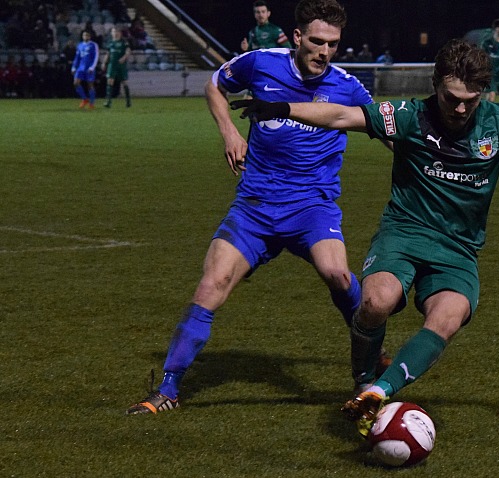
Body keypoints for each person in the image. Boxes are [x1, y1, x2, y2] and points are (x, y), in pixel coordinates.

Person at [230, 38, 499, 436]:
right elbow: (341, 116)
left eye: (471, 99)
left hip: (458, 249)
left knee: (448, 317)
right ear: (435, 85)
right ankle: (363, 378)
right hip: (404, 233)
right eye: (452, 98)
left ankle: (378, 391)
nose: (462, 108)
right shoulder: (408, 116)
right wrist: (283, 108)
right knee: (376, 302)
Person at [125, 0, 390, 415]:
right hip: (256, 205)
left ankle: (370, 362)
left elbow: (387, 128)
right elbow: (215, 84)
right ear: (297, 37)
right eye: (317, 41)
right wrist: (229, 130)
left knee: (338, 274)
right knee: (212, 285)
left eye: (333, 44)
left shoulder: (348, 87)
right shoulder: (260, 63)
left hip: (312, 206)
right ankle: (167, 390)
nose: (325, 51)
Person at [102, 26, 132, 107]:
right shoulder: (110, 42)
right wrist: (104, 63)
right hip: (112, 64)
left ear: (120, 33)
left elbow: (128, 51)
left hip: (121, 65)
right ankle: (108, 102)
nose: (115, 33)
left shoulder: (124, 42)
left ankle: (128, 101)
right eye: (113, 32)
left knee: (124, 82)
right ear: (112, 33)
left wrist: (124, 57)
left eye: (116, 32)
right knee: (110, 81)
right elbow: (108, 53)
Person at [71, 30, 99, 109]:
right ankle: (84, 99)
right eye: (84, 35)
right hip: (81, 67)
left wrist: (92, 67)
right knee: (76, 83)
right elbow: (77, 57)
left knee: (90, 85)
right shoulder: (80, 45)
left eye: (87, 35)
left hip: (89, 67)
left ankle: (92, 103)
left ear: (89, 36)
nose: (85, 37)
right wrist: (73, 67)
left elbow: (96, 56)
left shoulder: (93, 45)